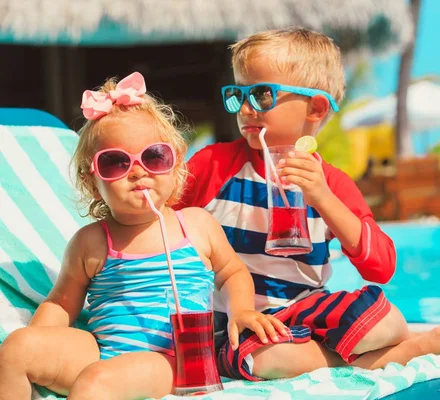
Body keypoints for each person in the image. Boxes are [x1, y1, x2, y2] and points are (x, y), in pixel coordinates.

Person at [177, 27, 440, 382]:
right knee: (265, 360)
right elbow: (162, 224)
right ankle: (400, 353)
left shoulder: (331, 183)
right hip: (236, 322)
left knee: (388, 320)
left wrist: (322, 198)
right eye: (237, 94)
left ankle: (370, 348)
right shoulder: (214, 164)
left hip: (306, 310)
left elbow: (381, 267)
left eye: (261, 95)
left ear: (315, 107)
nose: (245, 108)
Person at [0, 72, 286, 400]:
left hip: (173, 361)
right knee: (17, 348)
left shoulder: (195, 225)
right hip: (101, 351)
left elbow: (232, 272)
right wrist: (40, 342)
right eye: (115, 163)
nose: (138, 171)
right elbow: (61, 304)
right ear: (93, 183)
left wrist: (241, 311)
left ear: (175, 163)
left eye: (154, 157)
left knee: (96, 383)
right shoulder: (90, 242)